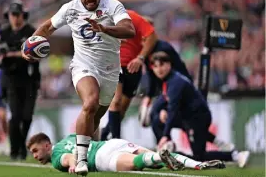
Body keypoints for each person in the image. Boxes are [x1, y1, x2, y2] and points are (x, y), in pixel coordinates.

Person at [21, 0, 135, 175]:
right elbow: (47, 27)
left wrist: (104, 28)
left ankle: (90, 153)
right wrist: (29, 45)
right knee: (90, 102)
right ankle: (80, 160)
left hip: (110, 71)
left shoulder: (113, 5)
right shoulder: (70, 8)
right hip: (83, 66)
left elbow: (129, 30)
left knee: (96, 118)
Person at [139, 17, 235, 152]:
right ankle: (169, 146)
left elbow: (176, 71)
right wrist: (147, 98)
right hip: (167, 88)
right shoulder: (146, 50)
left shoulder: (163, 48)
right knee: (163, 117)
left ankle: (166, 144)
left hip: (177, 88)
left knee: (170, 116)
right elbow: (151, 75)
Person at [149, 51, 250, 168]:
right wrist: (161, 110)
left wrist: (165, 135)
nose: (159, 69)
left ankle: (236, 156)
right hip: (187, 118)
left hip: (197, 118)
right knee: (157, 119)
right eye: (155, 66)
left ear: (169, 64)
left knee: (199, 157)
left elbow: (173, 109)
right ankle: (214, 141)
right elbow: (164, 102)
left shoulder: (175, 82)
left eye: (161, 64)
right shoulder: (169, 80)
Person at [27, 132, 226, 174]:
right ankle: (197, 164)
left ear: (47, 145)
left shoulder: (55, 157)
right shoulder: (69, 137)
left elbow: (67, 158)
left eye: (36, 150)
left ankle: (159, 155)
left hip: (102, 158)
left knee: (139, 163)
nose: (35, 156)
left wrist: (73, 164)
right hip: (112, 143)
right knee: (160, 162)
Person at [0, 0, 40, 161]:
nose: (15, 18)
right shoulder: (3, 32)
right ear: (9, 16)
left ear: (23, 15)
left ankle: (21, 146)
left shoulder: (30, 31)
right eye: (13, 14)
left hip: (29, 79)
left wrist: (11, 54)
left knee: (27, 116)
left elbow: (33, 53)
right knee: (15, 116)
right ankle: (15, 150)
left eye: (18, 14)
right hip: (11, 79)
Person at [101, 10, 157, 140]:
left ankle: (105, 133)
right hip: (114, 66)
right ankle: (116, 140)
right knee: (116, 101)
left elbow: (151, 37)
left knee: (122, 110)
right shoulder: (107, 20)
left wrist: (140, 58)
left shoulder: (141, 32)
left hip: (132, 69)